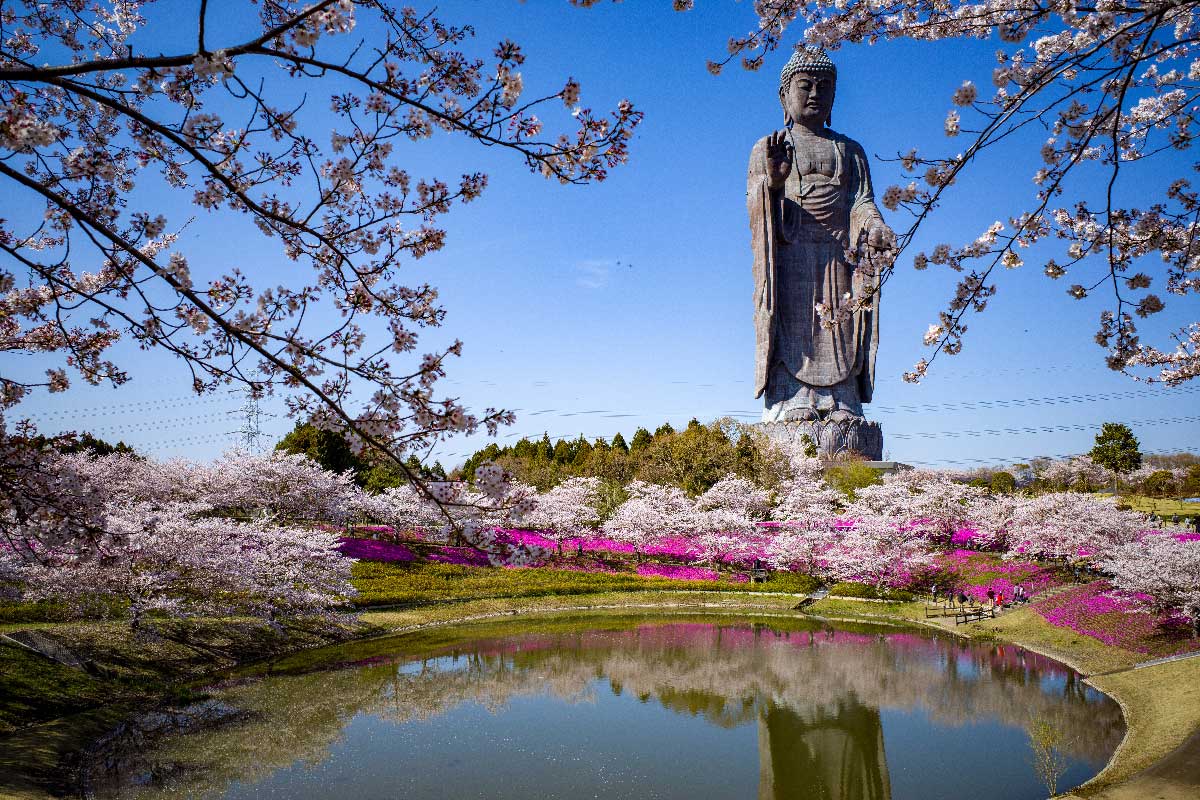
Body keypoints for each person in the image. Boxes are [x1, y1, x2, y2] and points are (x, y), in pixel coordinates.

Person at [748, 46, 895, 424]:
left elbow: (861, 202)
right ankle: (792, 396)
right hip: (791, 253)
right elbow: (757, 204)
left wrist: (875, 226)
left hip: (839, 253)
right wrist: (774, 184)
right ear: (784, 96)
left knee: (842, 322)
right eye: (805, 85)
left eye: (825, 86)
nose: (815, 93)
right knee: (793, 325)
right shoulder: (768, 147)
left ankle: (841, 398)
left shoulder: (851, 151)